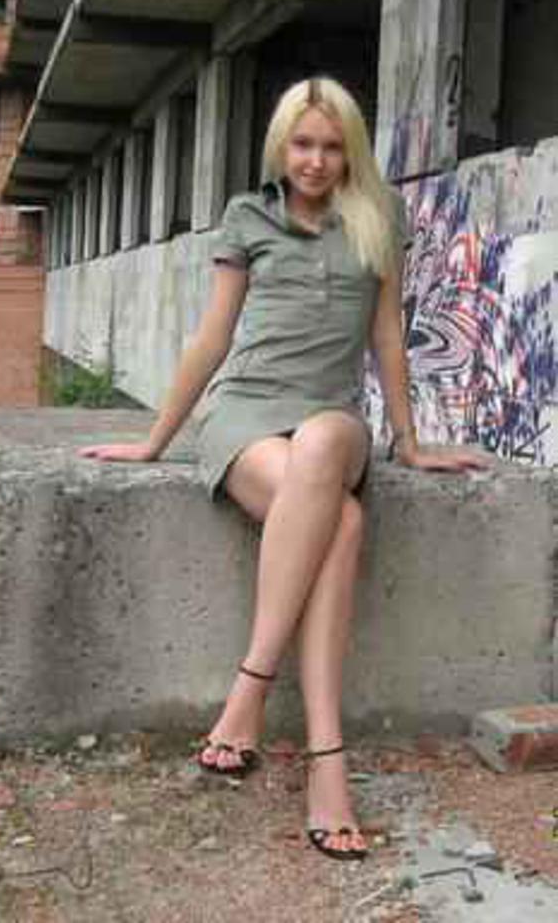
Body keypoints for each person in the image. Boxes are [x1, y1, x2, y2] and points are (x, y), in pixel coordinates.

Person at [80, 77, 490, 860]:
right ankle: (327, 760)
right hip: (245, 418)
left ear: (351, 151)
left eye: (332, 146)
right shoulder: (249, 215)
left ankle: (250, 689)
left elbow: (388, 337)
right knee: (345, 520)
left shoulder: (379, 217)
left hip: (330, 420)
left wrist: (409, 443)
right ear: (281, 145)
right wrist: (155, 440)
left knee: (326, 443)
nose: (316, 161)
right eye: (303, 144)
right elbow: (212, 337)